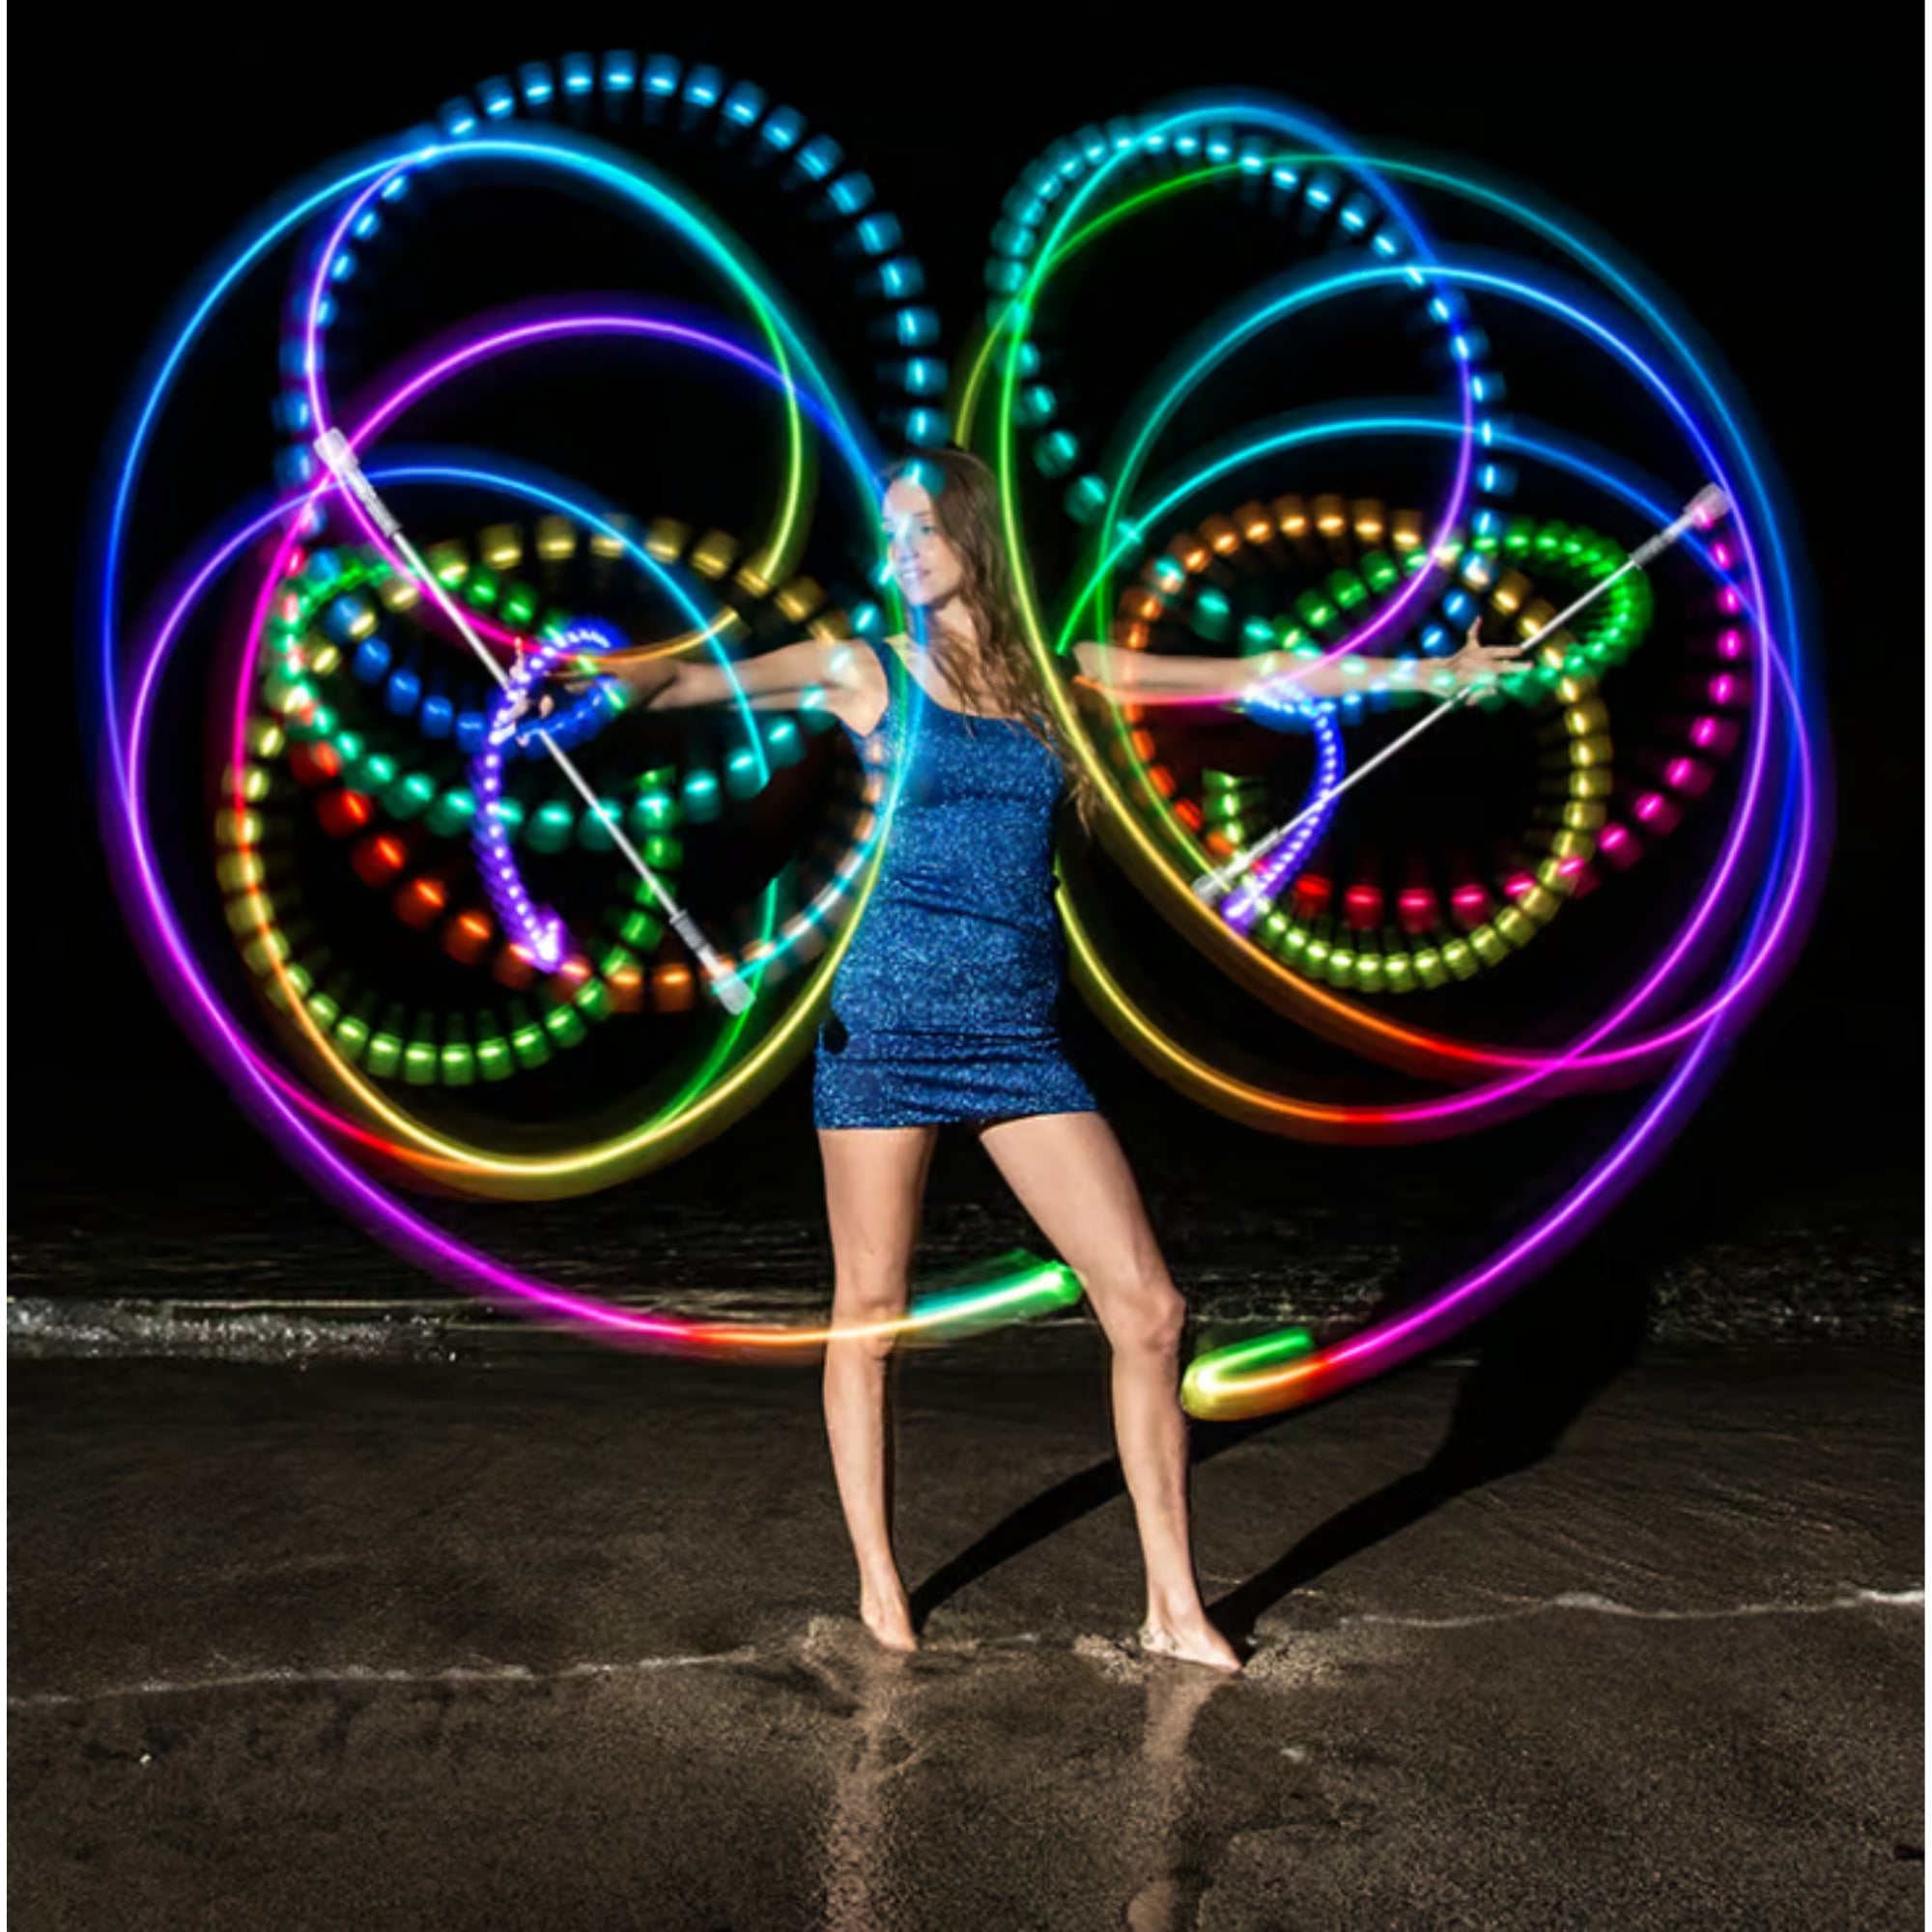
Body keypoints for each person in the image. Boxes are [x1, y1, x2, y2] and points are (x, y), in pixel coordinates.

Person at [558, 448, 1522, 1670]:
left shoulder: (1058, 684)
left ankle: (1171, 1606)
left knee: (1151, 1308)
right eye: (888, 532)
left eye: (919, 528)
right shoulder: (865, 667)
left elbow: (1267, 673)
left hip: (1017, 1036)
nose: (898, 550)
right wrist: (588, 682)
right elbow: (690, 681)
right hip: (886, 1025)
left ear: (972, 532)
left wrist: (1433, 668)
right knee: (869, 1314)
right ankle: (878, 1585)